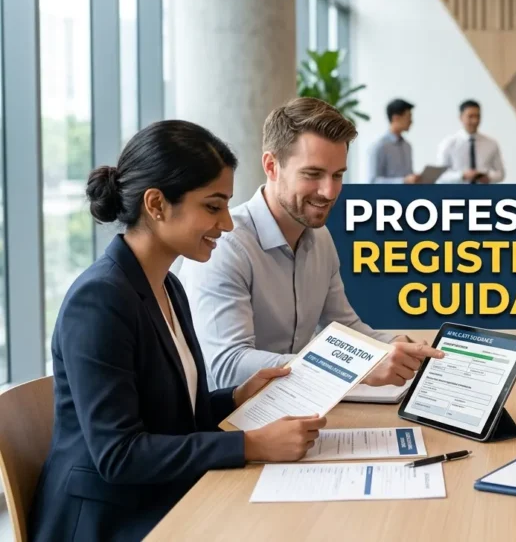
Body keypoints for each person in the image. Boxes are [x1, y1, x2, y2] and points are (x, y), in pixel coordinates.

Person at [30, 121, 328, 541]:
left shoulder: (168, 285)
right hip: (110, 520)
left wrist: (237, 397)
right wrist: (251, 445)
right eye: (212, 206)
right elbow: (119, 455)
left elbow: (171, 416)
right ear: (156, 204)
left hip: (160, 497)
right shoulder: (98, 300)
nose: (227, 224)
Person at [179, 97, 444, 389]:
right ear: (271, 166)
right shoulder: (226, 245)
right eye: (313, 174)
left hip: (296, 409)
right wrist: (359, 366)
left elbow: (344, 327)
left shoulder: (320, 237)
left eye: (338, 175)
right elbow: (229, 367)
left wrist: (394, 345)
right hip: (227, 424)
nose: (329, 192)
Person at [436, 99, 505, 184]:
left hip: (483, 194)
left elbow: (500, 173)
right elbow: (440, 176)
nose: (475, 121)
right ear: (461, 117)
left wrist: (488, 177)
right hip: (456, 194)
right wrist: (462, 175)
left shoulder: (491, 144)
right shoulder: (448, 143)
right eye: (470, 116)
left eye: (478, 116)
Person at [368, 98, 417, 184]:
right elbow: (373, 181)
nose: (411, 121)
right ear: (396, 118)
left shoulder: (407, 146)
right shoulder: (380, 146)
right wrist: (403, 181)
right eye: (408, 117)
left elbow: (409, 175)